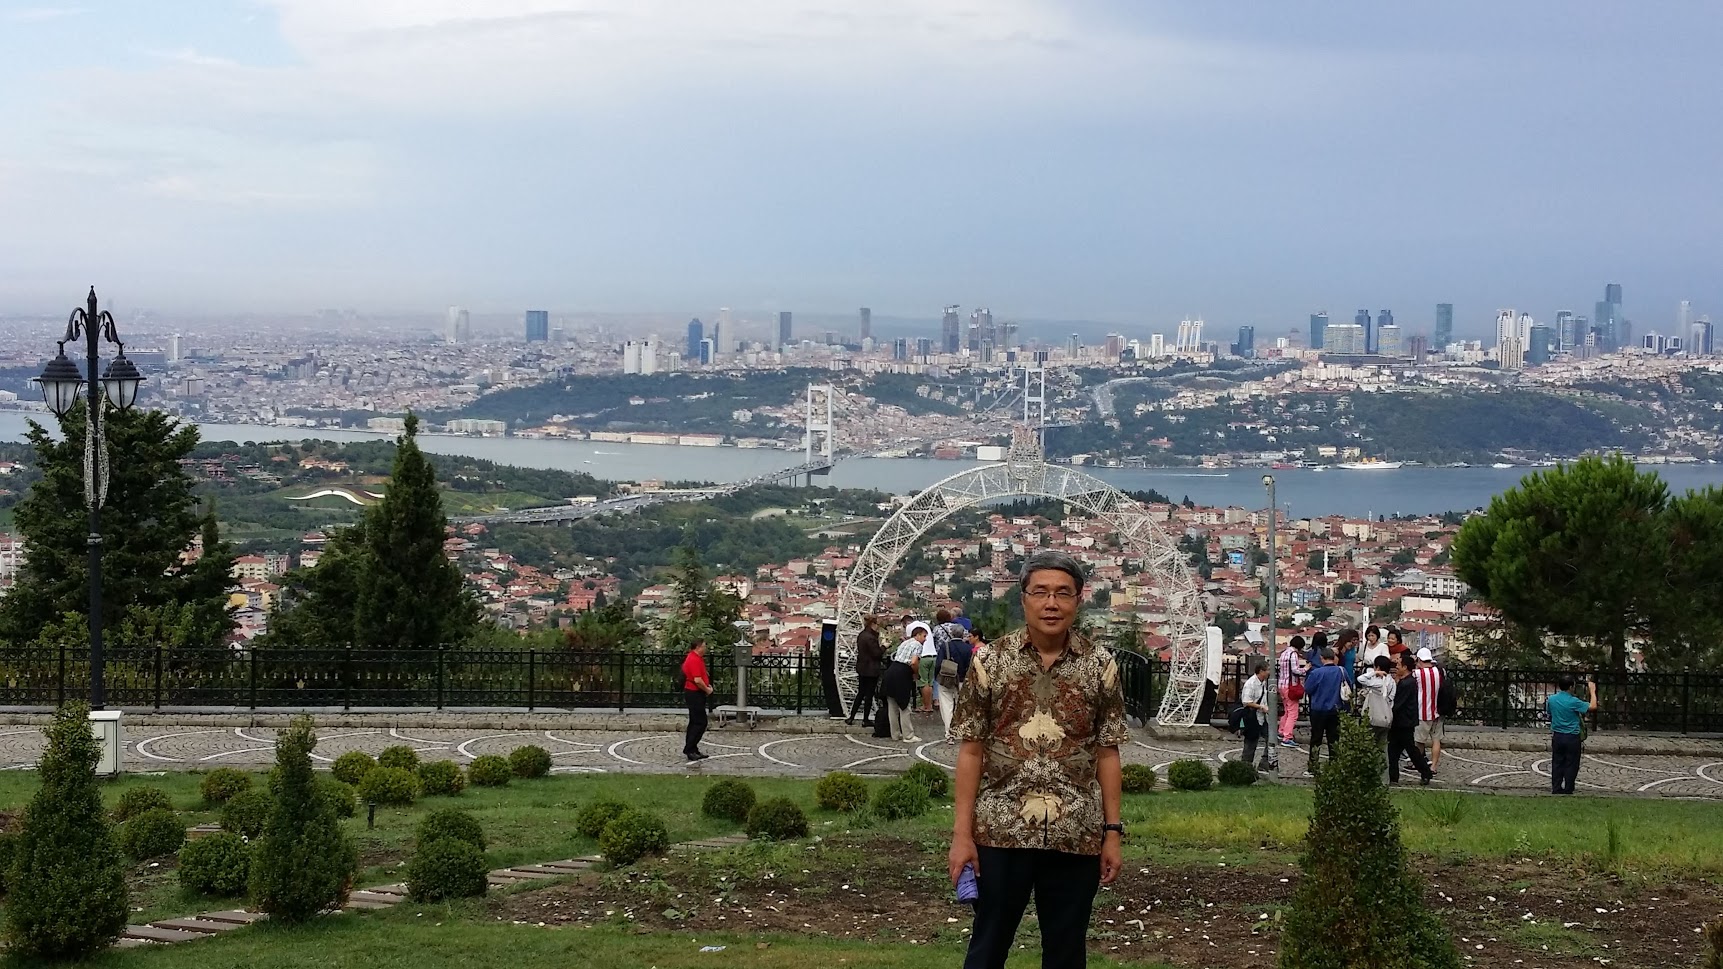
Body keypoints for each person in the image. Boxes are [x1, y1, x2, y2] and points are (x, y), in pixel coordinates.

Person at [950, 550, 1128, 969]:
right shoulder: (990, 662)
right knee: (987, 948)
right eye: (1041, 592)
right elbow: (971, 750)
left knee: (1067, 952)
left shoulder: (1100, 666)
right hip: (1000, 830)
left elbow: (1108, 751)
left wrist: (1112, 832)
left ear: (1078, 600)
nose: (1051, 604)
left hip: (1075, 831)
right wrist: (961, 835)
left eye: (1063, 593)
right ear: (1024, 598)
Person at [1547, 674, 1598, 795]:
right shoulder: (1573, 701)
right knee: (1572, 763)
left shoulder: (1552, 699)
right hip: (1572, 736)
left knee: (1557, 762)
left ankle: (1556, 787)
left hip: (1557, 735)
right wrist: (1592, 691)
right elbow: (1593, 706)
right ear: (1571, 687)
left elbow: (1549, 712)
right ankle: (1568, 788)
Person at [1388, 653, 1434, 785]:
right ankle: (1393, 777)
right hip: (1403, 721)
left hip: (1403, 722)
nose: (1396, 667)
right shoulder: (1408, 681)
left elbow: (1398, 703)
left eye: (1399, 664)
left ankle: (1425, 772)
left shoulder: (1407, 683)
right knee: (1395, 751)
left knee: (1409, 750)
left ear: (1405, 667)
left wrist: (1389, 712)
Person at [1302, 648, 1346, 776]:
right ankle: (1334, 766)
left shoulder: (1316, 673)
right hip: (1336, 709)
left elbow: (1308, 689)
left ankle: (1313, 767)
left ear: (1322, 658)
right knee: (1334, 739)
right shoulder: (1341, 671)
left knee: (1316, 739)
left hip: (1318, 708)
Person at [885, 623, 929, 743]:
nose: (925, 639)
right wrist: (916, 673)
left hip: (891, 671)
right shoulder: (917, 645)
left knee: (892, 706)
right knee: (904, 706)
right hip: (902, 674)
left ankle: (895, 734)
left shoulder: (905, 643)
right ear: (917, 635)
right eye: (924, 636)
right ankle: (908, 735)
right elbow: (914, 662)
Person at [1412, 646, 1445, 774]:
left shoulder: (1417, 674)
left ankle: (1420, 765)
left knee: (1419, 741)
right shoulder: (1438, 672)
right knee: (1436, 740)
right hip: (1437, 711)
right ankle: (1434, 766)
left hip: (1422, 712)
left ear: (1419, 660)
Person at [847, 614, 884, 727]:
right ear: (873, 624)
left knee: (861, 693)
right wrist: (884, 647)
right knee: (869, 695)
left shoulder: (862, 635)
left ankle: (851, 717)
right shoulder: (871, 637)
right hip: (871, 669)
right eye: (877, 624)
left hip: (862, 668)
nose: (878, 627)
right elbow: (876, 654)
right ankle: (865, 719)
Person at [681, 638, 714, 761]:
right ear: (698, 647)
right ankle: (689, 749)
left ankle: (693, 748)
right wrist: (707, 689)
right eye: (704, 646)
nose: (705, 648)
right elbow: (697, 680)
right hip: (694, 693)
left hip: (695, 692)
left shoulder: (695, 658)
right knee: (700, 722)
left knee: (695, 722)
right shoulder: (693, 659)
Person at [1356, 655, 1397, 748]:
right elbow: (1391, 698)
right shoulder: (1392, 681)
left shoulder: (1378, 683)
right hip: (1386, 717)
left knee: (1368, 745)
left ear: (1377, 667)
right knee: (1382, 746)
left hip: (1373, 717)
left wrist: (1374, 673)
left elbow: (1360, 679)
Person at [1276, 636, 1307, 748]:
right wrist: (1306, 669)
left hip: (1282, 685)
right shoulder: (1293, 654)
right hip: (1290, 687)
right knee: (1293, 713)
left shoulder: (1284, 653)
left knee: (1287, 711)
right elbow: (1295, 670)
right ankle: (1287, 737)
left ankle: (1281, 731)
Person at [1239, 662, 1271, 765]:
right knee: (1251, 743)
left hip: (1263, 717)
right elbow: (1246, 702)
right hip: (1253, 718)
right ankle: (1246, 765)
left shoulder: (1263, 682)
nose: (1269, 672)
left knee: (1271, 739)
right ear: (1261, 671)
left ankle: (1265, 762)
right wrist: (1261, 707)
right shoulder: (1251, 684)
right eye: (1268, 670)